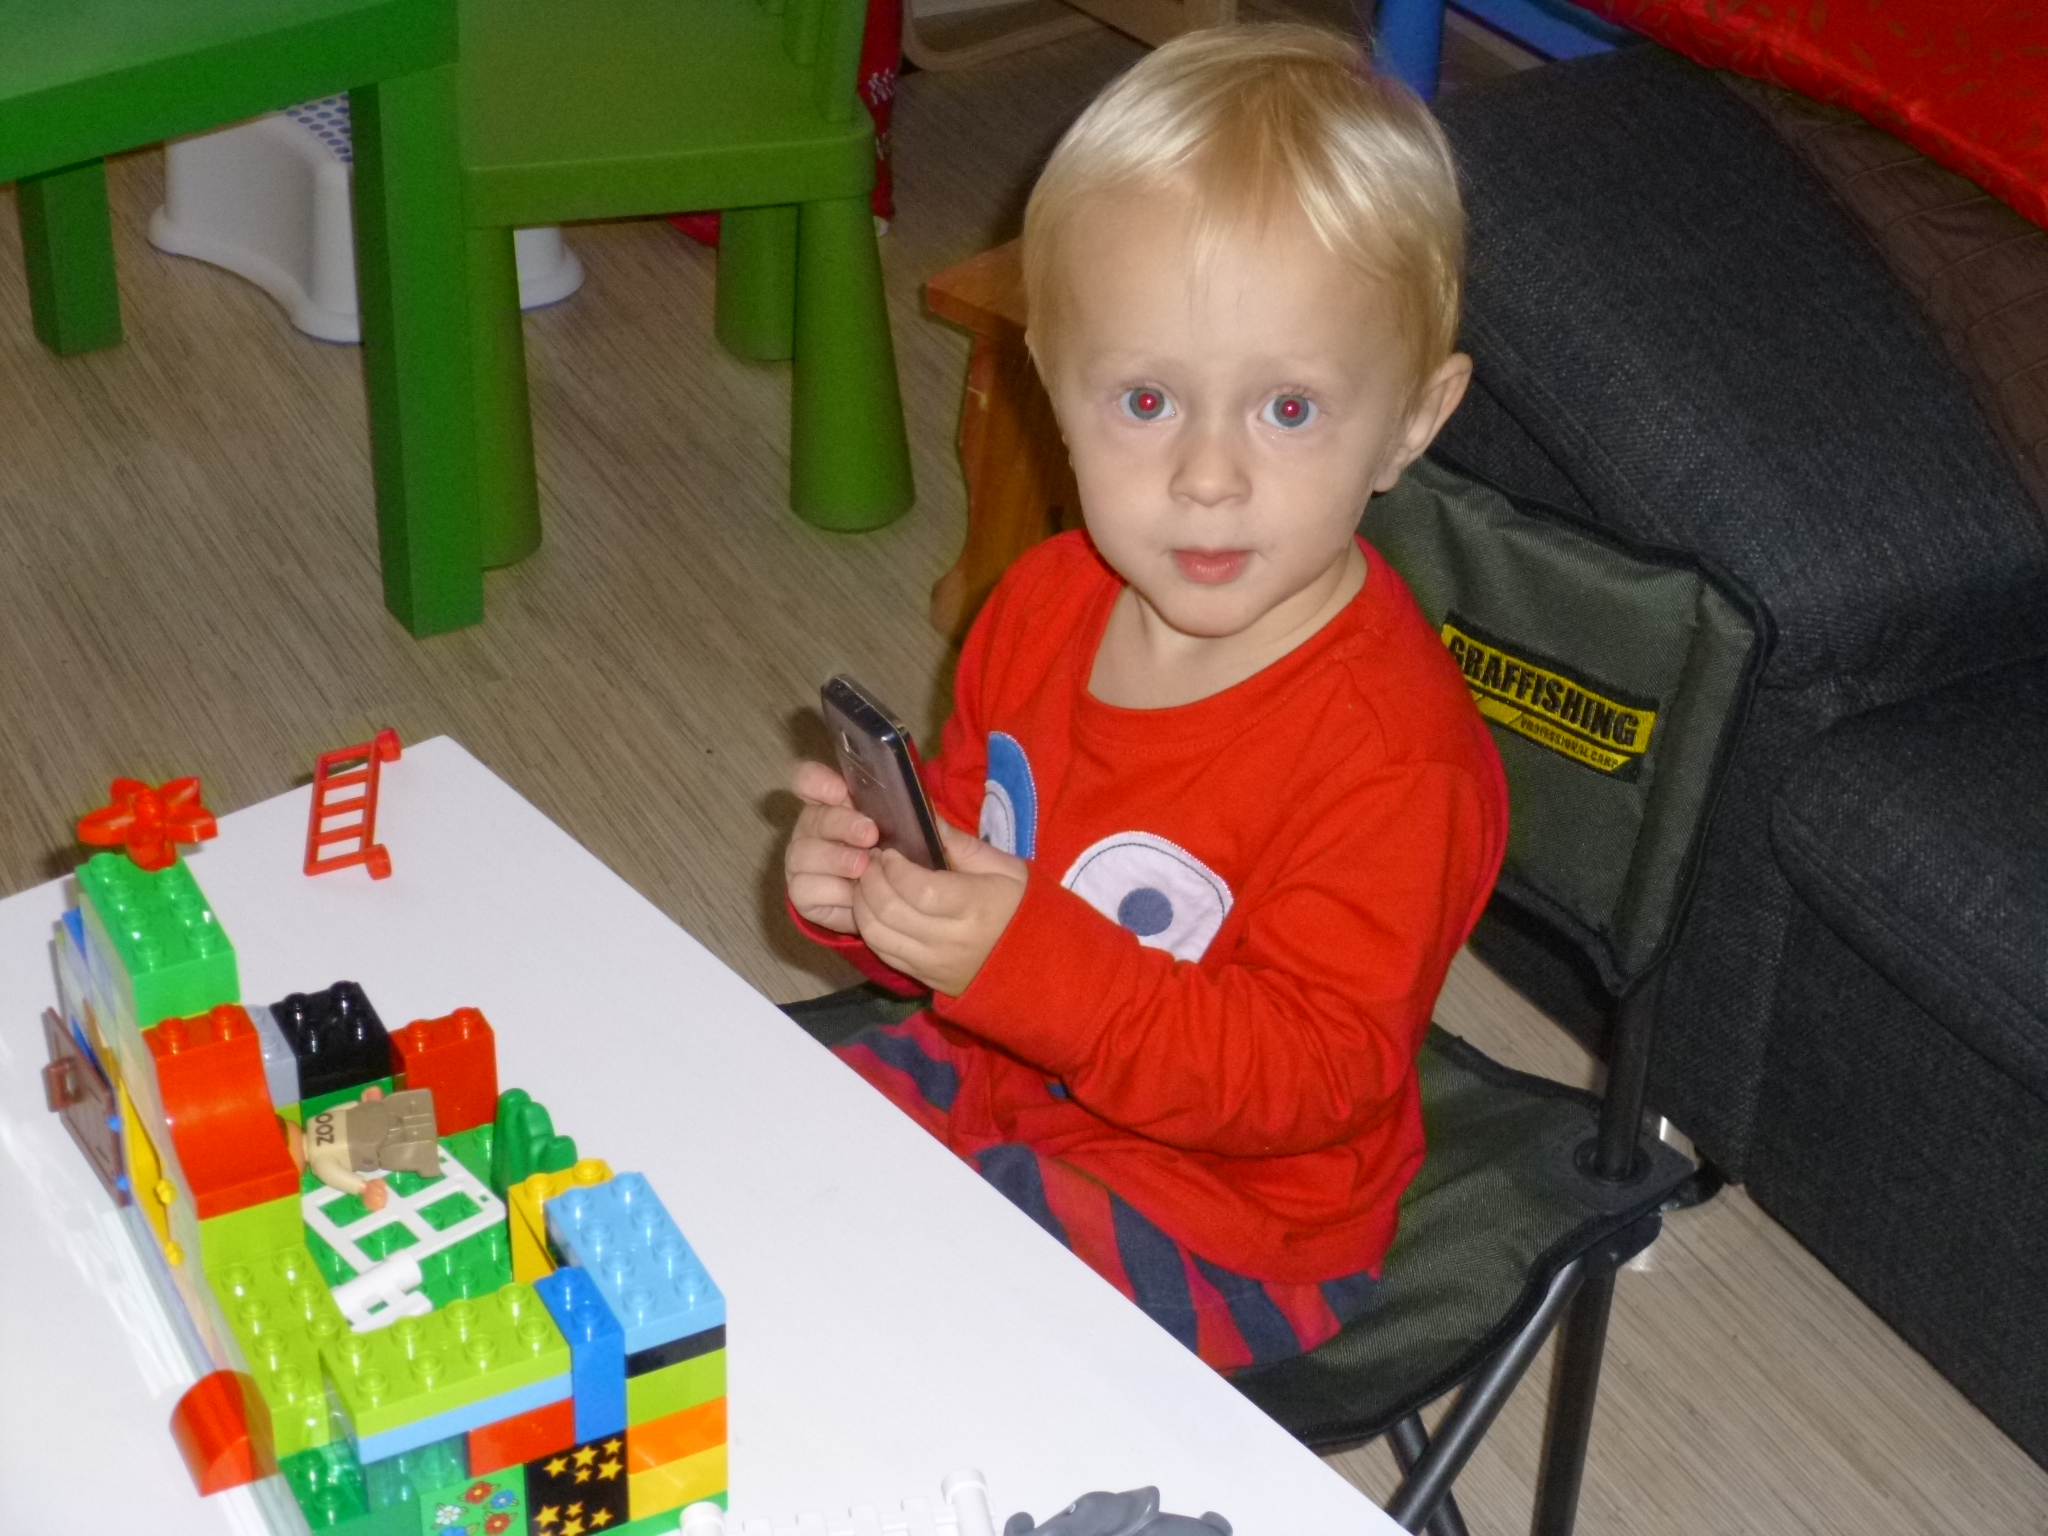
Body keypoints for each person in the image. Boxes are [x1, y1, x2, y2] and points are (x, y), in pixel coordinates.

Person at [782, 23, 1508, 1372]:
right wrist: (886, 895)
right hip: (1006, 1071)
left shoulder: (1394, 759)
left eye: (1288, 410)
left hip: (1233, 1212)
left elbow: (1311, 1078)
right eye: (1146, 400)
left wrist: (1016, 965)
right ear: (1053, 390)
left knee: (918, 1322)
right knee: (757, 1140)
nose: (1208, 478)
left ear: (1411, 421)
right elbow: (981, 845)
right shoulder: (1044, 602)